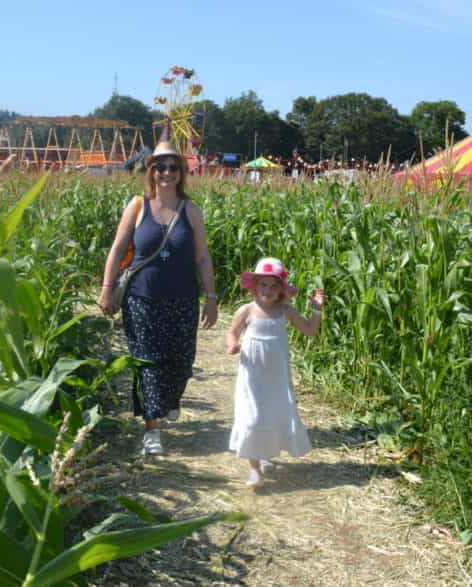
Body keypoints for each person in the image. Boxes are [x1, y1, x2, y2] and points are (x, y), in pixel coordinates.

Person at [98, 141, 218, 455]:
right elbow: (117, 249)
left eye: (173, 167)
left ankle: (171, 399)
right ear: (152, 171)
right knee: (148, 363)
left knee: (180, 362)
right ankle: (153, 428)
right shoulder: (137, 206)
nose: (166, 172)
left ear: (181, 172)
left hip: (183, 300)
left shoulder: (191, 210)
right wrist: (107, 287)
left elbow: (202, 257)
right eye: (160, 167)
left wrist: (212, 296)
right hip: (141, 299)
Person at [226, 257, 325, 487]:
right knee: (252, 417)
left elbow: (310, 331)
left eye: (273, 286)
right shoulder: (247, 310)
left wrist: (317, 311)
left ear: (281, 289)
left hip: (277, 376)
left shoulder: (285, 311)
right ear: (254, 285)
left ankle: (266, 454)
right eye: (263, 285)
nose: (267, 291)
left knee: (273, 414)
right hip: (253, 375)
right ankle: (255, 469)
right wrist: (232, 344)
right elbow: (232, 332)